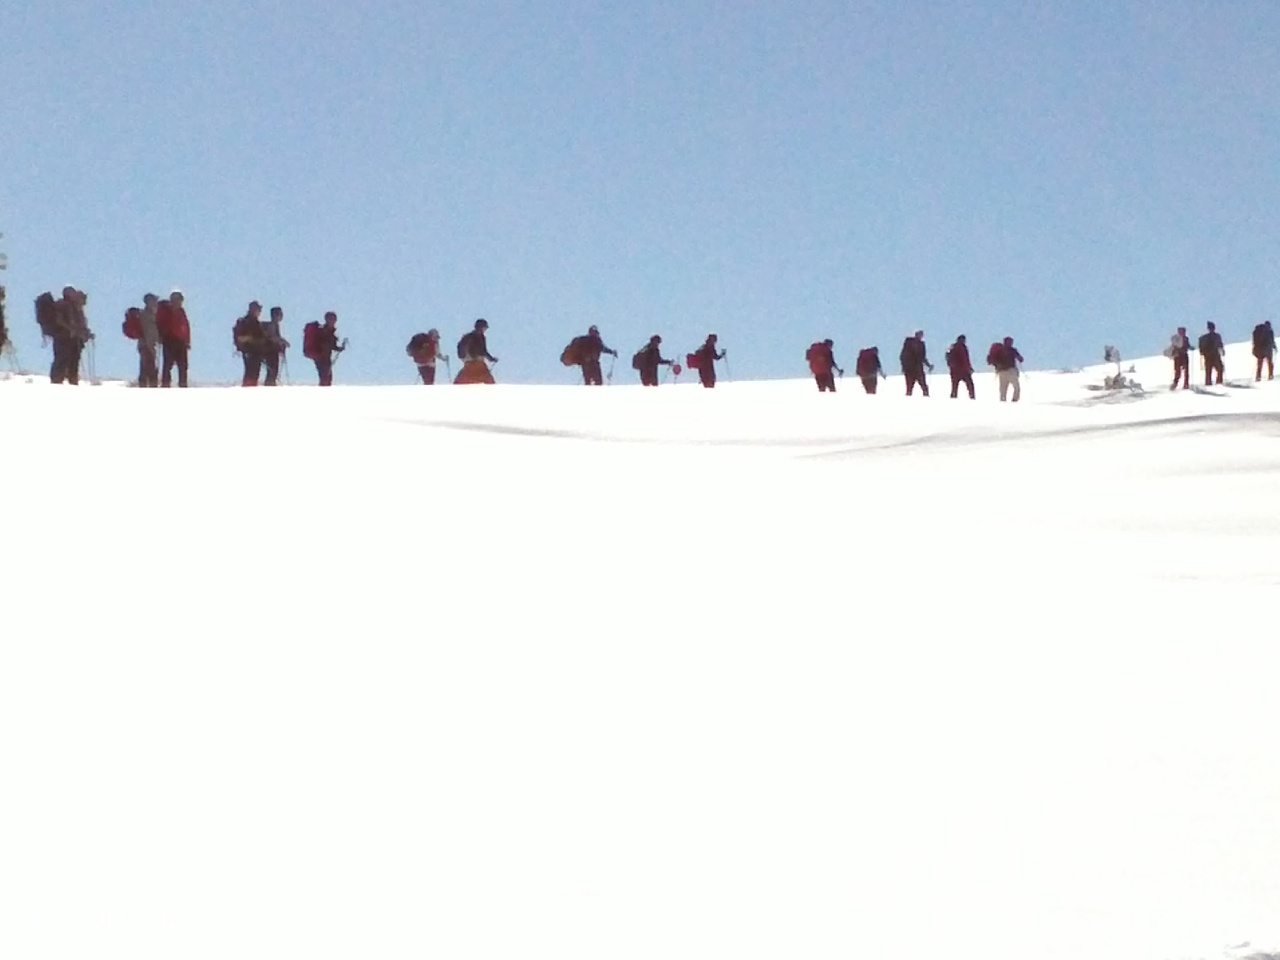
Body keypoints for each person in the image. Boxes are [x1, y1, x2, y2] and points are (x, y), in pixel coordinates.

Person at [50, 287, 93, 385]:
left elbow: (80, 325)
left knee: (71, 361)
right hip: (64, 338)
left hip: (71, 339)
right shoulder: (64, 305)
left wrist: (85, 333)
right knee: (64, 360)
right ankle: (59, 382)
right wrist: (75, 330)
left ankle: (67, 381)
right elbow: (60, 321)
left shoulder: (75, 308)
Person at [156, 290, 191, 388]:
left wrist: (187, 341)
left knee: (182, 366)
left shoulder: (181, 312)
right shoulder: (167, 311)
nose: (179, 302)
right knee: (168, 365)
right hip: (169, 340)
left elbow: (186, 327)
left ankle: (182, 384)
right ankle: (166, 384)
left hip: (180, 342)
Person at [233, 301, 268, 386]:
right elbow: (241, 337)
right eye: (258, 309)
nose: (260, 312)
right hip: (250, 351)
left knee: (254, 373)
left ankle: (251, 388)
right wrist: (251, 339)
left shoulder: (255, 322)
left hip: (256, 352)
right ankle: (248, 389)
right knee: (250, 373)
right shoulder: (247, 322)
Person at [455, 318, 498, 385]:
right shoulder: (480, 337)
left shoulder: (468, 337)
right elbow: (483, 351)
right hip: (478, 363)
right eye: (484, 328)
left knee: (462, 380)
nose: (485, 330)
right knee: (487, 379)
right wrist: (491, 359)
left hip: (468, 362)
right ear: (481, 327)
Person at [311, 311, 346, 386]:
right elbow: (327, 344)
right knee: (325, 378)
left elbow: (332, 346)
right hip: (321, 358)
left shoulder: (329, 331)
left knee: (327, 377)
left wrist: (339, 348)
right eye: (331, 319)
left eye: (334, 319)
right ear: (326, 319)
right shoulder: (324, 331)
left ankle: (324, 391)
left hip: (325, 358)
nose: (333, 321)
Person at [989, 336, 1024, 402]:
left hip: (1001, 371)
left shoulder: (1000, 350)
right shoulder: (1012, 350)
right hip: (1011, 371)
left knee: (1003, 389)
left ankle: (1003, 403)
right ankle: (1014, 401)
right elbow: (1021, 359)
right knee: (1016, 388)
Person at [137, 293, 161, 387]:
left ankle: (145, 386)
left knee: (146, 368)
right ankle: (150, 388)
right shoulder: (146, 315)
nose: (156, 303)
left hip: (146, 345)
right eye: (154, 301)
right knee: (149, 369)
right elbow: (149, 332)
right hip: (147, 345)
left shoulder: (147, 314)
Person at [262, 306, 290, 386]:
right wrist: (282, 341)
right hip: (271, 351)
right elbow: (272, 337)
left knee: (272, 371)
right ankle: (270, 386)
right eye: (280, 314)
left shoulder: (274, 325)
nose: (281, 316)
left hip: (270, 351)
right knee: (273, 371)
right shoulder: (272, 325)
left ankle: (271, 385)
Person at [899, 330, 932, 396]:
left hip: (909, 369)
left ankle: (908, 400)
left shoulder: (908, 344)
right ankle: (926, 399)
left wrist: (904, 367)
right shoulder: (920, 345)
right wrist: (928, 365)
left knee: (909, 389)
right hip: (917, 369)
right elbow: (922, 357)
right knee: (924, 387)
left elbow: (902, 357)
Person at [945, 334, 975, 399]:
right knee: (970, 385)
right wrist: (969, 368)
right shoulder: (963, 348)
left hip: (954, 371)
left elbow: (948, 357)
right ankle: (972, 397)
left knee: (954, 387)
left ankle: (953, 398)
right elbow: (965, 360)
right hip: (964, 371)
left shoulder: (953, 347)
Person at [1197, 322, 1225, 386]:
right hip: (1210, 356)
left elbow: (1220, 344)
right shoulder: (1208, 337)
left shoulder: (1215, 336)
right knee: (1210, 370)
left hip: (1213, 356)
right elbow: (1220, 344)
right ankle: (1212, 382)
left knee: (1218, 369)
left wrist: (1222, 350)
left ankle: (1217, 382)